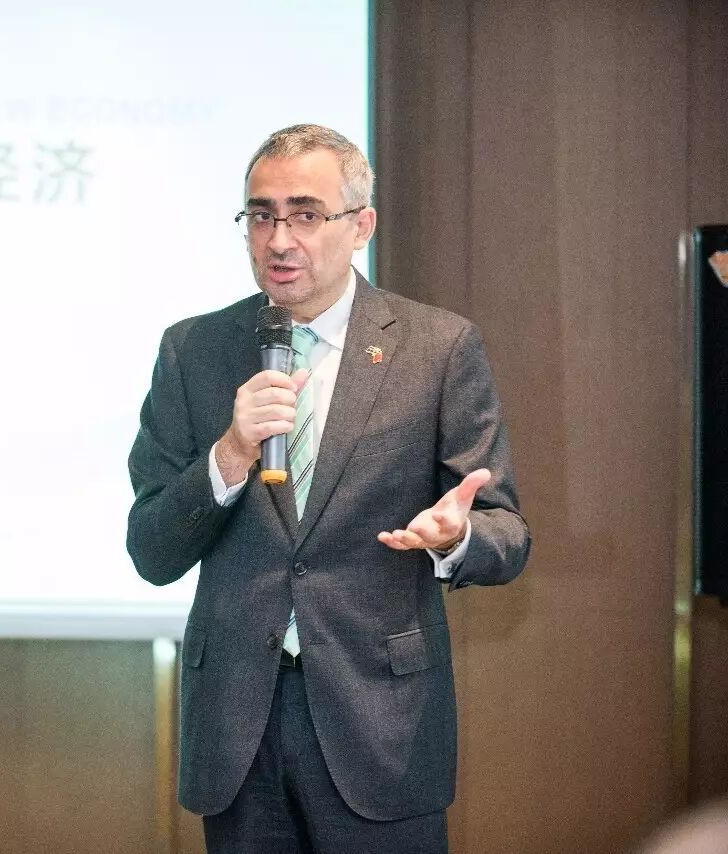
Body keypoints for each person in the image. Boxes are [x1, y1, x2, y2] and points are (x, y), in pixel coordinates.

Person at [126, 124, 531, 853]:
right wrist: (230, 453)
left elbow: (506, 533)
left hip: (381, 723)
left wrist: (457, 537)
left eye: (305, 215)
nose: (279, 240)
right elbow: (151, 548)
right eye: (261, 215)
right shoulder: (193, 349)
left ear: (361, 226)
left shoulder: (437, 348)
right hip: (237, 728)